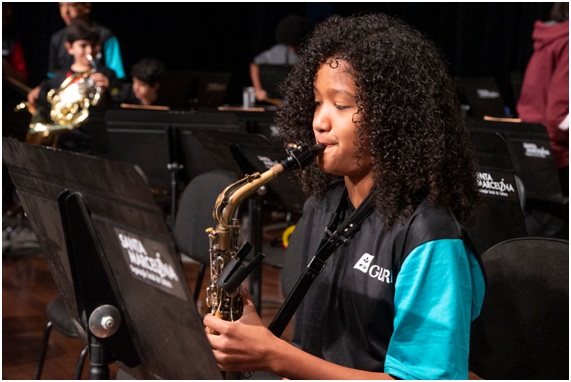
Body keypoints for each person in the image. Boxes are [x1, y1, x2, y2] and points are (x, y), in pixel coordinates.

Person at [204, 13, 486, 380]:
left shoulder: (430, 237)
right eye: (317, 101)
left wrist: (276, 357)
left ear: (392, 118)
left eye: (341, 104)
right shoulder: (321, 205)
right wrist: (256, 332)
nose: (319, 121)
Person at [27, 2, 125, 108]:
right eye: (61, 5)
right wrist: (42, 89)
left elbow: (117, 81)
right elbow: (53, 78)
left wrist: (109, 91)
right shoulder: (57, 38)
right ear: (69, 47)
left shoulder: (105, 36)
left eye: (72, 5)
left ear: (87, 6)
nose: (65, 11)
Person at [517, 2, 569, 196]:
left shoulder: (553, 38)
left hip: (532, 144)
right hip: (558, 154)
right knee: (552, 221)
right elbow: (559, 114)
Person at [35, 18, 118, 113]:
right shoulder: (58, 77)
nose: (89, 51)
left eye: (94, 45)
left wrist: (106, 92)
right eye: (83, 46)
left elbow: (116, 106)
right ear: (69, 48)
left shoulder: (107, 75)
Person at [249, 15, 309, 101]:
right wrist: (258, 90)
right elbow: (255, 64)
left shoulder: (310, 54)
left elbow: (254, 64)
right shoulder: (284, 54)